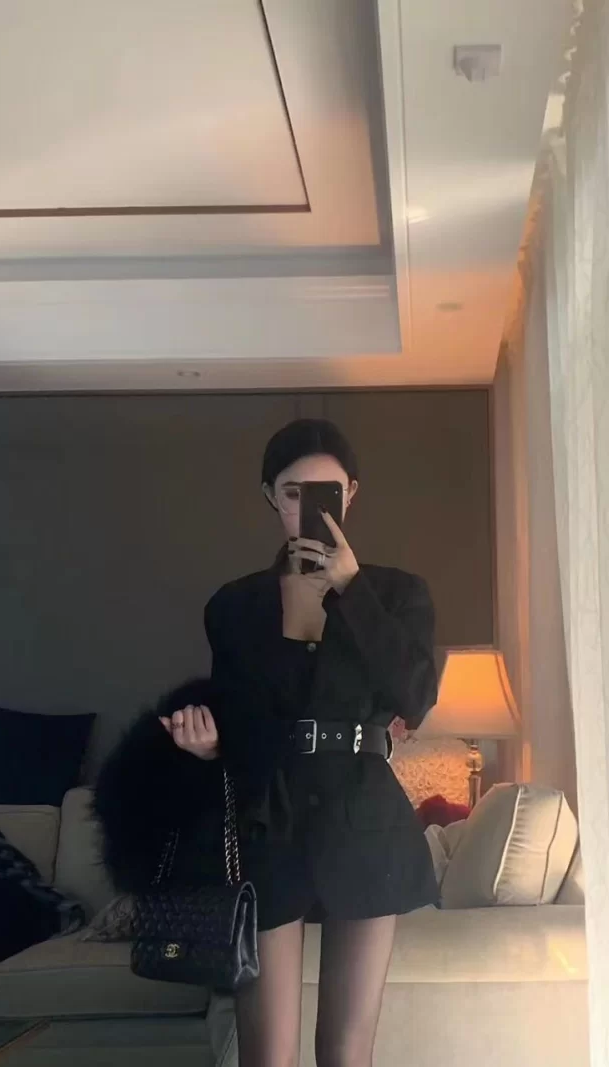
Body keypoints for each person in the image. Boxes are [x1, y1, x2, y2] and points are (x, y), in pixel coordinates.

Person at [168, 419, 438, 1067]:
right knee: (268, 1055)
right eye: (293, 493)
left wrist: (351, 587)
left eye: (326, 492)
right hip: (270, 817)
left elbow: (416, 694)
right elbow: (239, 713)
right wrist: (210, 748)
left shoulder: (397, 593)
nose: (309, 507)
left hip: (363, 819)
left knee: (346, 1050)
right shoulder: (234, 605)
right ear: (270, 496)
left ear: (352, 494)